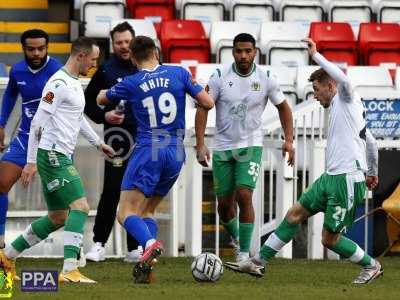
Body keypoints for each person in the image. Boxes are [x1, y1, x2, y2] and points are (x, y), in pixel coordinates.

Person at [225, 38, 382, 284]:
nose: (316, 97)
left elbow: (344, 79)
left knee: (329, 239)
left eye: (317, 91)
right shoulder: (345, 110)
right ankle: (258, 263)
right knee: (294, 214)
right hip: (330, 177)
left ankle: (371, 265)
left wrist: (316, 56)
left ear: (330, 86)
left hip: (346, 179)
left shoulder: (347, 96)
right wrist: (372, 171)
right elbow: (371, 142)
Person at [97, 35, 214, 283]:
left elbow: (101, 99)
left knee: (125, 212)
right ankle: (146, 266)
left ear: (134, 59)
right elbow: (207, 102)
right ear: (157, 53)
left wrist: (105, 92)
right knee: (147, 210)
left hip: (149, 149)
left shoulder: (132, 81)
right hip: (175, 151)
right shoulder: (179, 74)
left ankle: (149, 243)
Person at [0, 37, 115, 283]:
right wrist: (30, 162)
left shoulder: (73, 83)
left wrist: (98, 143)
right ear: (80, 56)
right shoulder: (59, 83)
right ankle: (69, 269)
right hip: (52, 155)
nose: (93, 65)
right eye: (92, 60)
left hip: (57, 154)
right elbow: (37, 123)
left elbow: (77, 117)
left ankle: (6, 258)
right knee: (81, 207)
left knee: (58, 217)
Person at [195, 33, 294, 263]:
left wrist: (289, 140)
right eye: (239, 51)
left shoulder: (266, 77)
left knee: (244, 194)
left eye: (247, 51)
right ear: (233, 52)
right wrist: (200, 144)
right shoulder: (220, 76)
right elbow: (202, 108)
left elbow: (284, 108)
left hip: (250, 145)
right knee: (224, 207)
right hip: (222, 147)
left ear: (255, 52)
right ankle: (238, 239)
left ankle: (243, 253)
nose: (243, 55)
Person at [84, 21, 142, 263]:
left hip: (142, 141)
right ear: (113, 44)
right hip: (116, 142)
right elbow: (86, 102)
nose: (124, 46)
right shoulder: (106, 70)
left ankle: (134, 248)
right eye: (119, 42)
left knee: (137, 193)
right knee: (111, 192)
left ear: (134, 41)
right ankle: (99, 244)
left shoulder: (145, 68)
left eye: (127, 41)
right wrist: (103, 116)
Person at [0, 29, 62, 253]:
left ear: (48, 47)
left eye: (41, 48)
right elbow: (9, 95)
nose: (36, 53)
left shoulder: (58, 73)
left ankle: (74, 253)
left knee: (66, 202)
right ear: (23, 48)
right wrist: (1, 124)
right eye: (31, 49)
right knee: (1, 184)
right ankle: (0, 244)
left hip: (54, 142)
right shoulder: (17, 70)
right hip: (26, 137)